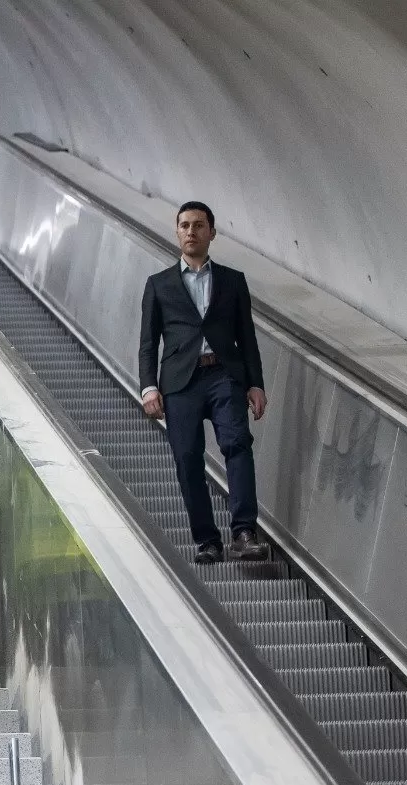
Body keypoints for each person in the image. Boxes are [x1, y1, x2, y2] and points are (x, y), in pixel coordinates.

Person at [139, 201, 269, 564]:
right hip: (181, 384)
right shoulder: (159, 285)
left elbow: (247, 338)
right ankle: (207, 540)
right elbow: (148, 343)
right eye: (184, 225)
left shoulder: (232, 281)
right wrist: (149, 387)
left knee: (237, 444)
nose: (191, 231)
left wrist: (255, 384)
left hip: (224, 376)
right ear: (177, 232)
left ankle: (244, 532)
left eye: (198, 225)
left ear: (212, 232)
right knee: (187, 459)